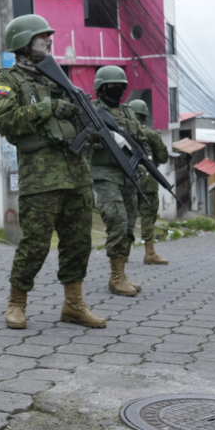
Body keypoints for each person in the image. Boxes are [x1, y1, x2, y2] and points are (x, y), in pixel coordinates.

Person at [0, 15, 106, 330]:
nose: (49, 40)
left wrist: (95, 131)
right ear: (24, 41)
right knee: (36, 244)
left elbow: (80, 121)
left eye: (49, 36)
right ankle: (17, 302)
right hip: (41, 179)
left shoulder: (59, 79)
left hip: (76, 174)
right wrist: (48, 108)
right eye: (42, 36)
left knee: (78, 242)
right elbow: (6, 122)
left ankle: (73, 304)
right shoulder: (8, 79)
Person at [90, 66, 146, 295]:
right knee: (117, 221)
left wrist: (140, 151)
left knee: (129, 226)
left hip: (128, 175)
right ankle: (116, 277)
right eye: (113, 87)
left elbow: (140, 136)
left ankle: (121, 274)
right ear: (101, 88)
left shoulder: (128, 112)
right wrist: (108, 138)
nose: (118, 91)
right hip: (104, 174)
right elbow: (84, 139)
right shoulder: (91, 110)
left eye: (121, 87)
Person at [126, 99, 169, 265]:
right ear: (145, 115)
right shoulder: (149, 133)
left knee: (127, 216)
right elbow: (163, 157)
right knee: (147, 217)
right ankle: (149, 252)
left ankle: (123, 253)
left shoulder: (120, 131)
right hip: (147, 181)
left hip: (127, 179)